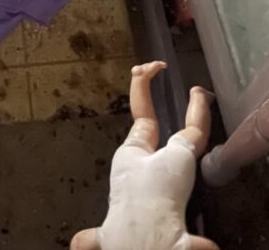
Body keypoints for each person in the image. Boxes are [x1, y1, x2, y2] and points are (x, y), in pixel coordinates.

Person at [71, 62, 220, 250]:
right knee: (144, 122)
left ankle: (199, 97)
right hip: (126, 166)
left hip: (169, 172)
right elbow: (79, 241)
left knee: (194, 131)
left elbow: (209, 247)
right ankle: (140, 77)